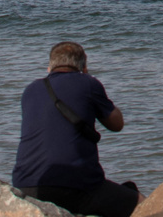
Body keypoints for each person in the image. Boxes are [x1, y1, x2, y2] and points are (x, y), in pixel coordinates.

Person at [11, 42, 138, 217]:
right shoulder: (89, 84)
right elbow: (117, 124)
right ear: (83, 67)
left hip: (26, 185)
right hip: (76, 184)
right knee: (143, 204)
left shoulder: (30, 90)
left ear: (49, 67)